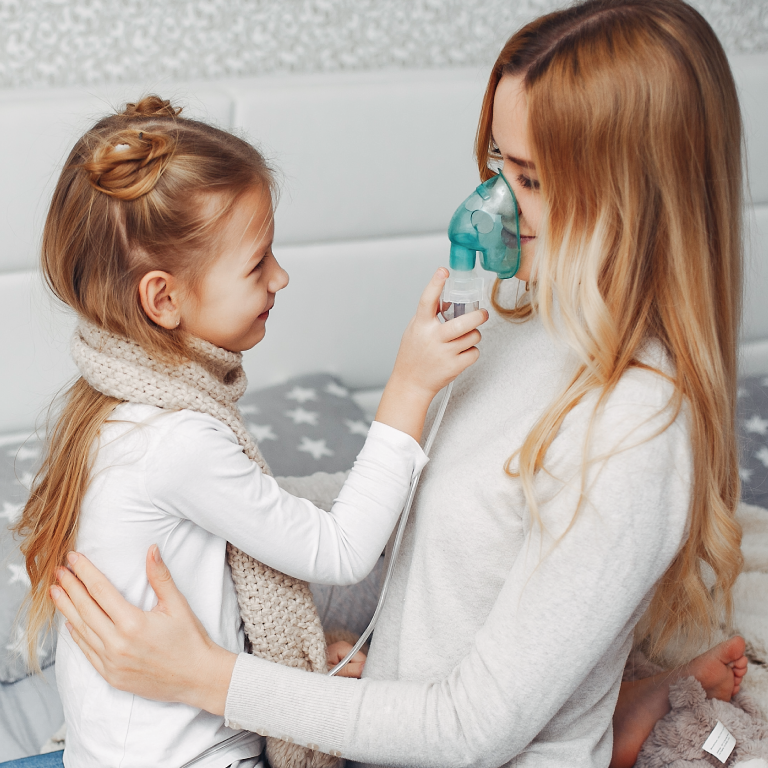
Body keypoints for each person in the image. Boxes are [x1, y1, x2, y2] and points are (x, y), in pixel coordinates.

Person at [13, 0, 752, 765]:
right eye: (496, 162)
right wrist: (211, 506)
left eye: (527, 179)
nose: (492, 203)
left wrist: (205, 676)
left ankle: (599, 729)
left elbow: (471, 729)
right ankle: (612, 711)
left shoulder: (636, 429)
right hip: (386, 728)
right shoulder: (516, 319)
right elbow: (410, 521)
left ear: (634, 198)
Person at [9, 97, 488, 768]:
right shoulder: (180, 441)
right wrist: (408, 389)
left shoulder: (116, 412)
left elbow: (262, 520)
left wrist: (285, 651)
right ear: (163, 299)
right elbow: (343, 550)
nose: (280, 277)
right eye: (257, 263)